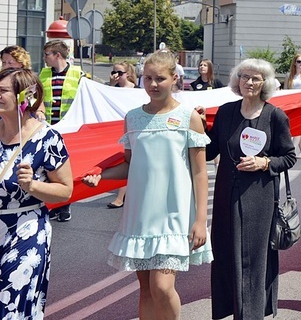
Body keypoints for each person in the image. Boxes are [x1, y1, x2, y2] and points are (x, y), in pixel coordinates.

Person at [82, 51, 212, 319]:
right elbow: (130, 164)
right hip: (140, 215)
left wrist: (201, 221)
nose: (153, 84)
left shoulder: (190, 117)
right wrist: (101, 176)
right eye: (148, 78)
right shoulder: (132, 117)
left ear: (175, 78)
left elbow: (200, 172)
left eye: (160, 79)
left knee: (162, 287)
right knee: (146, 290)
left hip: (175, 215)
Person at [204, 58, 297, 319]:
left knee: (254, 259)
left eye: (256, 78)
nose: (250, 82)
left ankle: (251, 314)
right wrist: (197, 125)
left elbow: (288, 156)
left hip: (259, 199)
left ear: (265, 84)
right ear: (237, 80)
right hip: (226, 197)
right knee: (225, 254)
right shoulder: (226, 112)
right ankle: (232, 309)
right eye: (245, 77)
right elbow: (211, 149)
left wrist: (264, 162)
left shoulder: (275, 116)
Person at [0, 68, 73, 317]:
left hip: (25, 233)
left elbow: (65, 191)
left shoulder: (48, 138)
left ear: (24, 97)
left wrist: (32, 186)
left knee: (11, 306)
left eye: (2, 91)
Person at [40, 39, 85, 222]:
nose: (44, 58)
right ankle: (55, 205)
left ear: (57, 55)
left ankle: (65, 206)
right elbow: (37, 96)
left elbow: (87, 99)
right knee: (50, 167)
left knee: (66, 170)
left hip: (70, 129)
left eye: (47, 54)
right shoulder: (43, 74)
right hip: (48, 128)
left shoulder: (78, 74)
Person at [106, 62, 138, 209]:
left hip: (131, 128)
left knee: (128, 161)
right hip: (115, 128)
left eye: (120, 73)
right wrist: (111, 85)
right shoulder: (113, 89)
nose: (116, 75)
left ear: (128, 74)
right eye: (114, 72)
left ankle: (120, 198)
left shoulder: (136, 91)